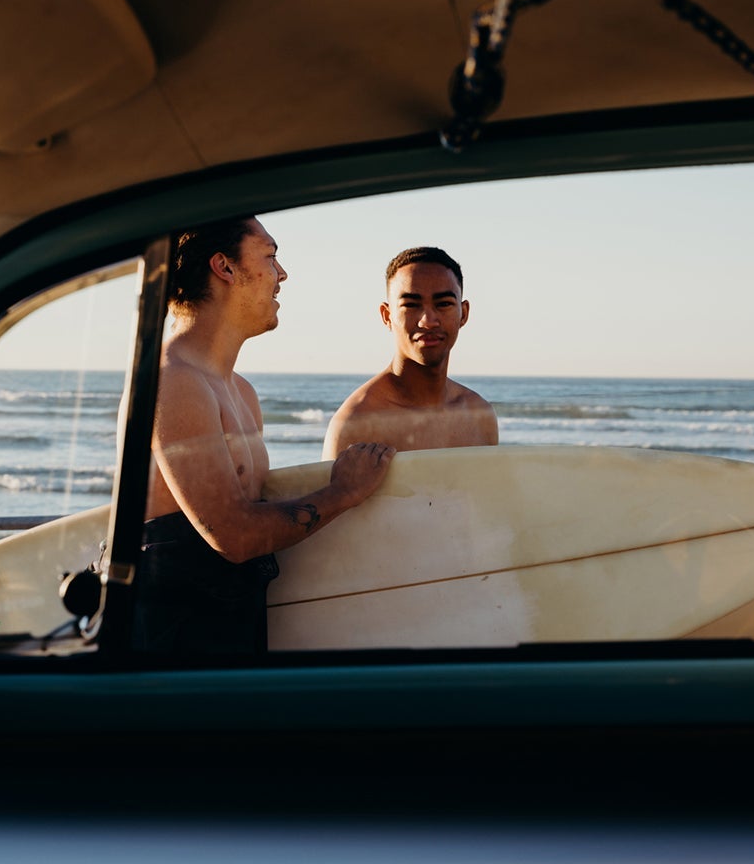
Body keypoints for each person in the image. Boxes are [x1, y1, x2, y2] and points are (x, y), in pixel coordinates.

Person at [136, 216, 396, 654]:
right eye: (271, 257)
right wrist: (343, 492)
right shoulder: (174, 381)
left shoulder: (240, 392)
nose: (282, 274)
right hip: (170, 645)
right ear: (225, 268)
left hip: (228, 628)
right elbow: (233, 536)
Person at [323, 246, 499, 458]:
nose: (428, 320)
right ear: (387, 316)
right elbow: (338, 492)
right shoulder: (357, 422)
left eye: (443, 304)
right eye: (411, 305)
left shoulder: (479, 417)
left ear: (464, 314)